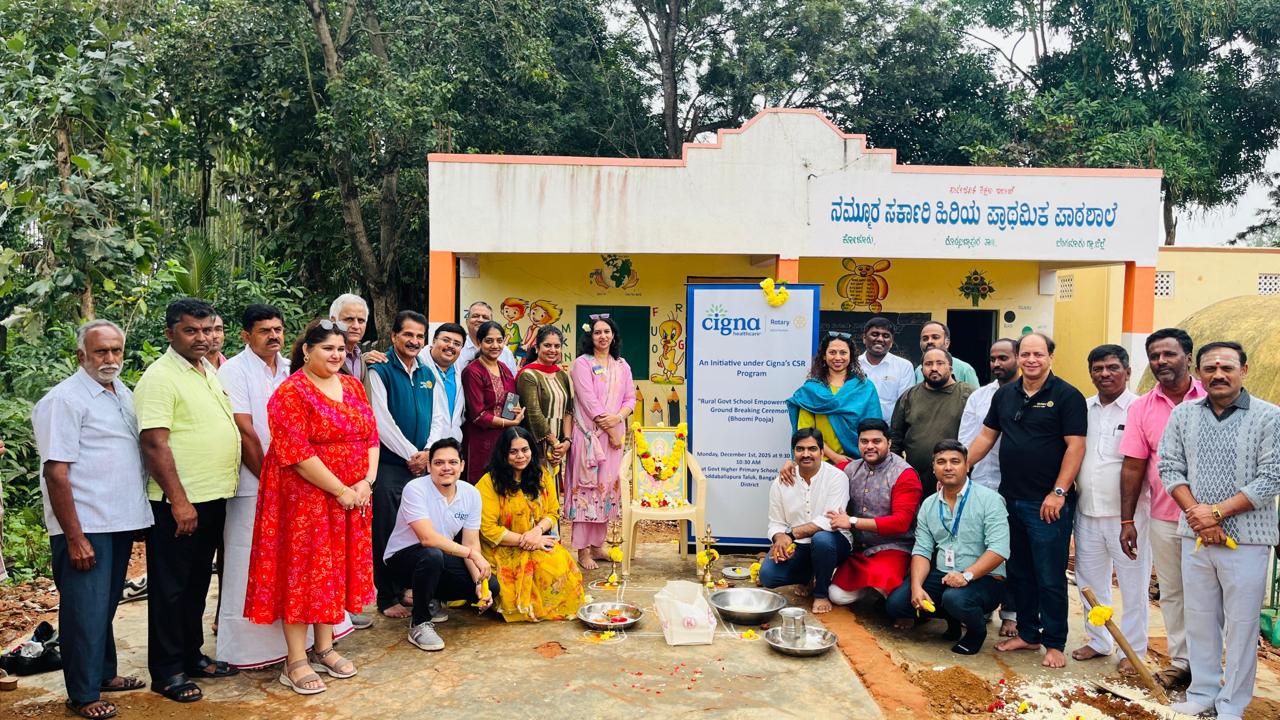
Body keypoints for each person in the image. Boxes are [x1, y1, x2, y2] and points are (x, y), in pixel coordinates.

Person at [245, 319, 378, 695]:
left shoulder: (352, 385)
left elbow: (371, 434)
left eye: (341, 349)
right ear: (307, 350)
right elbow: (296, 453)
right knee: (303, 573)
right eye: (327, 349)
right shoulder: (291, 392)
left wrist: (365, 481)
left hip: (352, 497)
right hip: (305, 499)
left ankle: (324, 647)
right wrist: (340, 489)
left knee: (332, 571)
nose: (336, 355)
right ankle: (295, 659)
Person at [32, 320, 152, 719]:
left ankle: (103, 674)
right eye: (101, 351)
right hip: (85, 526)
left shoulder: (122, 393)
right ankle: (82, 695)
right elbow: (56, 473)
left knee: (104, 605)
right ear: (81, 355)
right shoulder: (64, 400)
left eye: (116, 350)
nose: (111, 359)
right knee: (84, 610)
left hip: (116, 521)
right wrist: (74, 536)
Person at [1161, 341, 1280, 720]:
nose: (1218, 374)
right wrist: (1199, 517)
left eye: (1227, 367)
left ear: (1243, 370)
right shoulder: (1183, 415)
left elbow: (1270, 478)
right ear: (1198, 374)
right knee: (1199, 618)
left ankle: (1232, 704)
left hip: (1248, 540)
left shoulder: (1269, 417)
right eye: (1209, 368)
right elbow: (1169, 468)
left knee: (1242, 627)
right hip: (1194, 536)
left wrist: (1214, 514)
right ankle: (1203, 692)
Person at [134, 298, 241, 702]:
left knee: (197, 583)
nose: (202, 337)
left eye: (207, 329)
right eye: (190, 330)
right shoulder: (160, 377)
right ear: (170, 333)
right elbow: (154, 442)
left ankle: (192, 655)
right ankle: (166, 671)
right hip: (179, 503)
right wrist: (179, 501)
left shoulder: (207, 369)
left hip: (213, 497)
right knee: (171, 588)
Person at [966, 332, 1086, 668]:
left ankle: (1055, 641)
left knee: (1049, 574)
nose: (1032, 360)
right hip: (1010, 500)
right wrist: (961, 468)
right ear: (1018, 358)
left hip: (1048, 503)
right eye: (1026, 355)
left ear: (1050, 357)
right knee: (1020, 572)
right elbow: (986, 437)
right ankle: (1029, 633)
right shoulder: (1005, 395)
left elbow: (1076, 447)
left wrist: (1058, 492)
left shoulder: (1067, 396)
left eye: (1039, 354)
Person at [1117, 327, 1204, 689]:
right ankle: (1183, 662)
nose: (1161, 362)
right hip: (1166, 518)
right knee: (1173, 592)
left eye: (1169, 354)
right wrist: (1127, 519)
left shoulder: (1211, 397)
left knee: (1212, 594)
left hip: (1217, 519)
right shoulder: (1142, 407)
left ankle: (1213, 666)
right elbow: (1134, 465)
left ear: (1188, 355)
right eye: (1154, 356)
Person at [886, 440, 1010, 655]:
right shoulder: (929, 504)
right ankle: (952, 621)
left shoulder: (990, 500)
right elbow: (922, 550)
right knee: (897, 604)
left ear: (967, 466)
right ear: (934, 468)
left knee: (955, 598)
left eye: (955, 461)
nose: (948, 467)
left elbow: (999, 549)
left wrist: (967, 576)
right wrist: (916, 587)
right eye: (941, 462)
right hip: (945, 574)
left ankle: (975, 632)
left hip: (985, 578)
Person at [1071, 345, 1147, 675]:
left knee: (1133, 585)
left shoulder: (1140, 409)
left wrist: (1130, 517)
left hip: (1128, 517)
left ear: (1128, 372)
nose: (1105, 374)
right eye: (1098, 368)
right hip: (1086, 510)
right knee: (1090, 581)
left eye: (1113, 367)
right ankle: (1099, 640)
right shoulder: (1082, 408)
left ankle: (1133, 650)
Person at [383, 438, 498, 651]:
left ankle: (430, 596)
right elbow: (427, 539)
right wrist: (472, 554)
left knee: (491, 586)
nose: (446, 468)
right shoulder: (415, 489)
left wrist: (480, 586)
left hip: (439, 556)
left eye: (453, 462)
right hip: (402, 560)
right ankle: (419, 622)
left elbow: (471, 542)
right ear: (428, 467)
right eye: (439, 463)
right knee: (431, 555)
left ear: (462, 466)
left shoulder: (471, 493)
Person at [365, 310, 435, 619]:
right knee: (387, 530)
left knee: (416, 528)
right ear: (394, 336)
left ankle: (408, 587)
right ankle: (387, 595)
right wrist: (412, 454)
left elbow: (439, 416)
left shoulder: (426, 373)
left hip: (421, 463)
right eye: (408, 334)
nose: (414, 341)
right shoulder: (380, 371)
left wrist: (429, 450)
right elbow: (380, 421)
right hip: (391, 464)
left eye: (420, 336)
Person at [476, 427, 584, 622]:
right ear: (503, 454)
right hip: (501, 548)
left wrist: (536, 532)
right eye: (513, 451)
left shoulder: (541, 475)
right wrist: (526, 540)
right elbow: (488, 529)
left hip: (537, 538)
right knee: (514, 591)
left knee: (559, 563)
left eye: (525, 450)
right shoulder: (489, 483)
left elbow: (553, 512)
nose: (520, 456)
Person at [958, 338, 1020, 636]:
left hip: (1019, 485)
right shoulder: (979, 397)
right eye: (993, 358)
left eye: (1004, 358)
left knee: (1013, 551)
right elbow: (968, 439)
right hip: (983, 482)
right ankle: (981, 606)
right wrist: (963, 475)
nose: (997, 364)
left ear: (1019, 358)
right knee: (981, 546)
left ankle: (1011, 612)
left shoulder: (1032, 394)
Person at [825, 420, 922, 606]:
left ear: (889, 443)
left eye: (876, 441)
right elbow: (817, 472)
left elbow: (901, 522)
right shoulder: (851, 468)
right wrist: (792, 466)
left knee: (896, 603)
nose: (870, 446)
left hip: (894, 548)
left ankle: (904, 584)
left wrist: (852, 521)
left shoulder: (904, 474)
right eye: (864, 441)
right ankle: (876, 594)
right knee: (836, 595)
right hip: (861, 551)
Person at [566, 315, 635, 568]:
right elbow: (588, 400)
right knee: (586, 490)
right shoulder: (581, 364)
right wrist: (613, 430)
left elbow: (630, 399)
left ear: (614, 336)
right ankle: (582, 551)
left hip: (613, 440)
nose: (603, 336)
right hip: (588, 438)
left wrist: (618, 418)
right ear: (590, 336)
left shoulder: (622, 365)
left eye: (607, 332)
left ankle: (598, 546)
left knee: (607, 490)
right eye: (597, 332)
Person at [760, 429, 852, 613]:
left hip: (834, 541)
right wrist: (779, 538)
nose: (806, 454)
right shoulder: (780, 482)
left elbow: (829, 521)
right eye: (800, 449)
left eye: (812, 449)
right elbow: (775, 521)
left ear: (822, 452)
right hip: (799, 545)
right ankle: (810, 575)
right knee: (768, 576)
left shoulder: (836, 477)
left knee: (822, 539)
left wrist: (790, 535)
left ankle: (821, 593)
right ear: (793, 452)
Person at [785, 331, 881, 466]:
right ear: (824, 356)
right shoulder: (811, 391)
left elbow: (874, 427)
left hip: (858, 462)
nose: (838, 357)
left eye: (843, 352)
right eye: (832, 352)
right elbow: (805, 432)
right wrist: (835, 457)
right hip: (819, 464)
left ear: (851, 356)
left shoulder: (864, 388)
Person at [890, 348, 973, 490]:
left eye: (940, 363)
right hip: (915, 479)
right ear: (922, 369)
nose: (934, 368)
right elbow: (895, 438)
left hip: (955, 479)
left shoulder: (968, 395)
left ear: (950, 368)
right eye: (928, 364)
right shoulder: (909, 396)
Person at [463, 320, 525, 484]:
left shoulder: (504, 367)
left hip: (505, 438)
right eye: (489, 341)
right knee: (481, 485)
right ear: (479, 342)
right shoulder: (472, 371)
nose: (495, 345)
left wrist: (515, 411)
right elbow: (478, 415)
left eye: (499, 340)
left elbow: (512, 398)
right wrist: (509, 423)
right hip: (481, 440)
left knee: (504, 484)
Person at [517, 325, 574, 489]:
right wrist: (555, 444)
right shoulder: (528, 375)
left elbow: (569, 410)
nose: (553, 350)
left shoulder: (561, 374)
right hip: (536, 441)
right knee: (536, 486)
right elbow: (533, 413)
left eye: (557, 346)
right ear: (536, 347)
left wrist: (567, 442)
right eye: (547, 345)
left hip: (559, 443)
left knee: (553, 488)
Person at [416, 322, 467, 445]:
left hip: (452, 444)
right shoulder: (416, 363)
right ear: (434, 341)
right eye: (446, 340)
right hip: (423, 445)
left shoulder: (461, 368)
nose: (450, 346)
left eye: (457, 344)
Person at [858, 318, 915, 421]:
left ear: (892, 342)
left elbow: (904, 405)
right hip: (855, 429)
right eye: (875, 334)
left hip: (889, 430)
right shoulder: (854, 365)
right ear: (864, 338)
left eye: (886, 336)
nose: (880, 339)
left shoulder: (904, 366)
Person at [329, 293, 387, 380]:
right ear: (333, 321)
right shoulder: (323, 358)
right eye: (349, 319)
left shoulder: (361, 359)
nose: (356, 326)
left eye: (361, 321)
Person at [913, 321, 979, 387]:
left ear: (947, 343)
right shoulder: (918, 371)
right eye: (925, 339)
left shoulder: (965, 370)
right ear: (920, 343)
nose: (929, 341)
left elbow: (976, 396)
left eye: (935, 337)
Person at [457, 301, 517, 373]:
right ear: (467, 321)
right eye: (475, 316)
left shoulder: (505, 352)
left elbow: (512, 379)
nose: (480, 320)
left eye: (485, 317)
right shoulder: (458, 347)